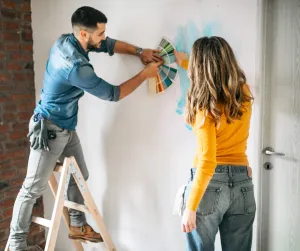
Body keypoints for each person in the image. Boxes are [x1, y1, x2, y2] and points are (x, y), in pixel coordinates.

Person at [8, 6, 162, 251]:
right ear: (83, 35)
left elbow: (108, 44)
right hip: (48, 130)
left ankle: (78, 224)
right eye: (99, 34)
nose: (103, 37)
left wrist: (140, 52)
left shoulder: (68, 40)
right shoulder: (76, 67)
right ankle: (16, 245)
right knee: (31, 189)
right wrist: (145, 75)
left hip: (66, 127)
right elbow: (113, 94)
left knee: (80, 176)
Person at [174, 37, 255, 251]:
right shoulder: (243, 93)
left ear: (198, 67)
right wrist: (183, 62)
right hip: (243, 185)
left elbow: (208, 161)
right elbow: (215, 76)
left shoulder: (204, 107)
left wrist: (190, 207)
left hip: (209, 186)